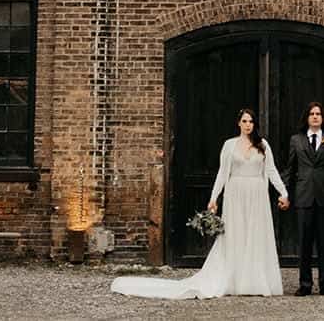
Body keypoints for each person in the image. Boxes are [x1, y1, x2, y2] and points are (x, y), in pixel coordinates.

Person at [111, 108, 290, 299]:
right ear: (238, 123)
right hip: (235, 194)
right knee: (236, 235)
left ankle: (254, 281)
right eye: (244, 121)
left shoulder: (263, 145)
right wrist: (214, 198)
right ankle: (234, 280)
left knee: (254, 235)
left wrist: (284, 192)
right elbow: (223, 174)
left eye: (251, 122)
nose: (248, 125)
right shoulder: (229, 145)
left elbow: (271, 171)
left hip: (256, 194)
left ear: (255, 125)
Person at [281, 100, 324, 296]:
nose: (315, 116)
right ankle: (305, 284)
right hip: (303, 198)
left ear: (323, 117)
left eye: (318, 113)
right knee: (304, 243)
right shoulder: (297, 140)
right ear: (307, 118)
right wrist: (284, 193)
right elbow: (290, 170)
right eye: (312, 114)